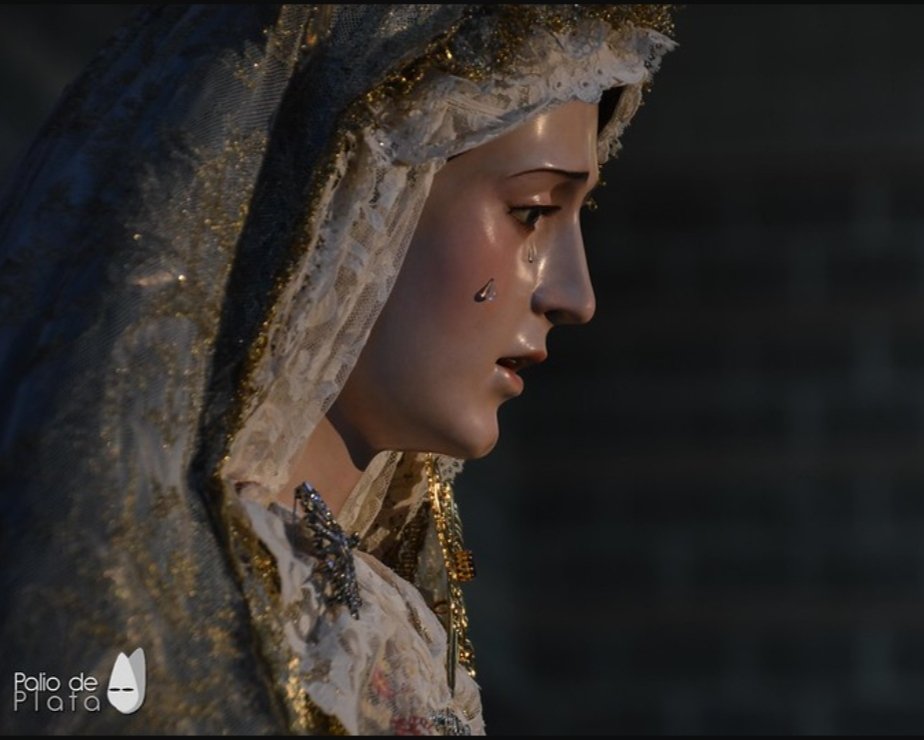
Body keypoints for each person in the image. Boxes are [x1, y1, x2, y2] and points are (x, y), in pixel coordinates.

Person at [0, 5, 676, 734]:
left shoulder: (390, 628)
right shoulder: (131, 616)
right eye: (532, 210)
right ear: (356, 196)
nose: (575, 295)